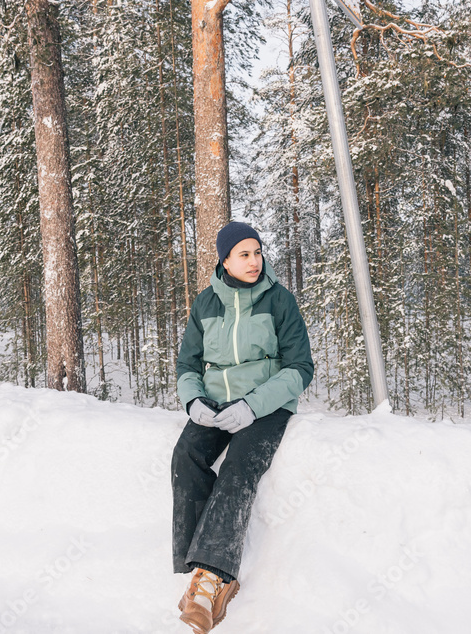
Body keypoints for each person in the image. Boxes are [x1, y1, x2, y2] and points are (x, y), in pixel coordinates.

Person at [171, 221, 314, 633]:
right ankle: (193, 567)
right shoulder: (205, 305)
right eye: (244, 254)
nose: (254, 261)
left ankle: (216, 579)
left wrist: (253, 405)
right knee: (187, 456)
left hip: (266, 405)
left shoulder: (279, 301)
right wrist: (193, 399)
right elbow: (187, 365)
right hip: (216, 402)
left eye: (257, 252)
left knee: (239, 468)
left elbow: (300, 367)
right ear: (225, 260)